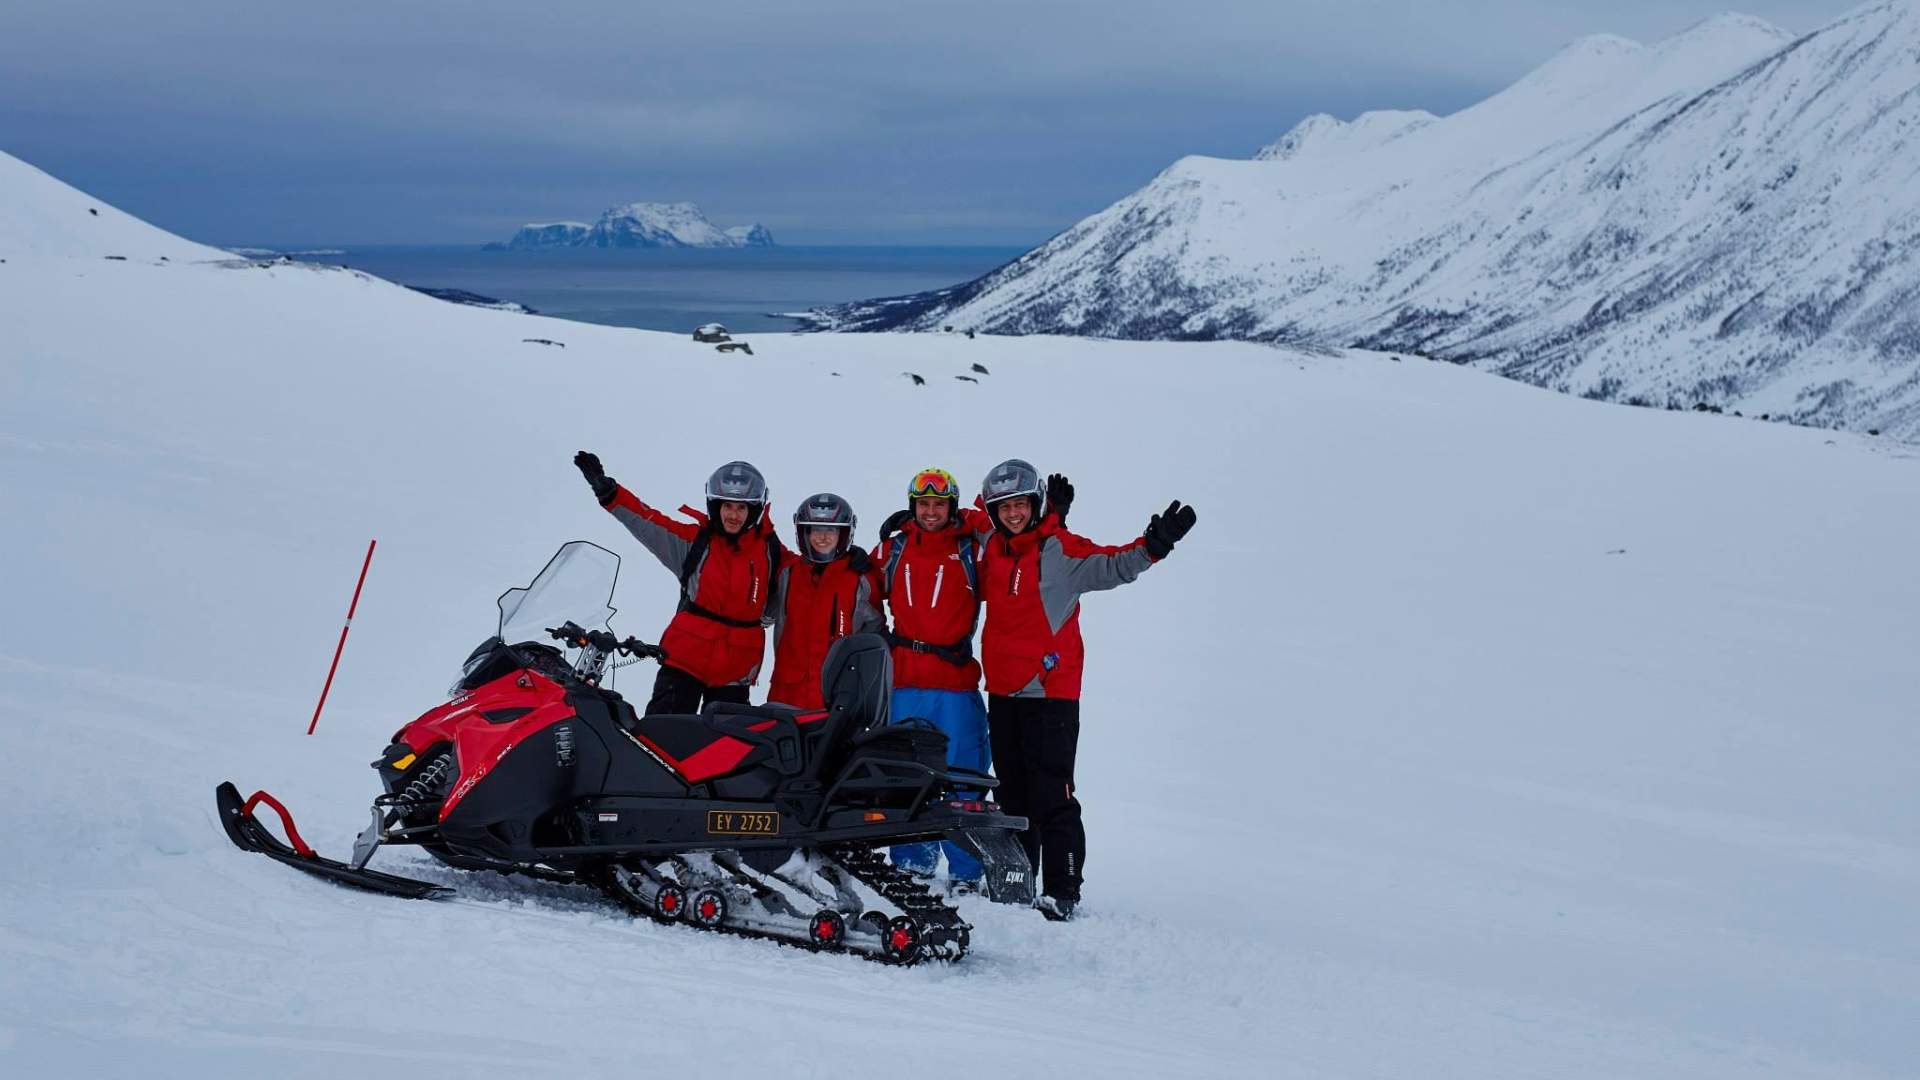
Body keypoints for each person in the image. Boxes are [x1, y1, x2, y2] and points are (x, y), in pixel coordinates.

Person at [973, 458, 1196, 921]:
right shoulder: (991, 545)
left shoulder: (1062, 550)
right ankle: (1018, 883)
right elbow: (956, 522)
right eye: (1004, 506)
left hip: (1050, 693)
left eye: (1020, 505)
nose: (1012, 513)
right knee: (1012, 794)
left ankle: (1062, 889)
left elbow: (1114, 565)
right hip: (1003, 690)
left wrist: (1154, 546)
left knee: (1051, 793)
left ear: (1035, 504)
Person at [574, 451, 783, 715]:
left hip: (736, 670)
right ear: (715, 506)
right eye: (727, 506)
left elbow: (808, 576)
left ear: (753, 510)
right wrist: (611, 494)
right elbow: (648, 522)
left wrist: (848, 566)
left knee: (726, 751)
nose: (733, 514)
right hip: (685, 660)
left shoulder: (772, 553)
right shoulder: (694, 543)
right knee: (661, 740)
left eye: (741, 508)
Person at [869, 467, 991, 888]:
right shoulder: (895, 548)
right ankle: (912, 864)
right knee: (906, 773)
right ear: (912, 506)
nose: (931, 511)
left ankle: (967, 869)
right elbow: (862, 584)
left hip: (954, 683)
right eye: (924, 504)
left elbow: (1006, 542)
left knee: (962, 772)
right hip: (905, 682)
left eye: (940, 504)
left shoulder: (971, 549)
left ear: (952, 508)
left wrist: (973, 521)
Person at [766, 493, 883, 710]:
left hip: (837, 695)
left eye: (831, 530)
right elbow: (760, 545)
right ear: (804, 533)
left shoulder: (860, 579)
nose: (823, 537)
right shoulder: (788, 572)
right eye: (815, 529)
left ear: (844, 533)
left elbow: (874, 633)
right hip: (787, 693)